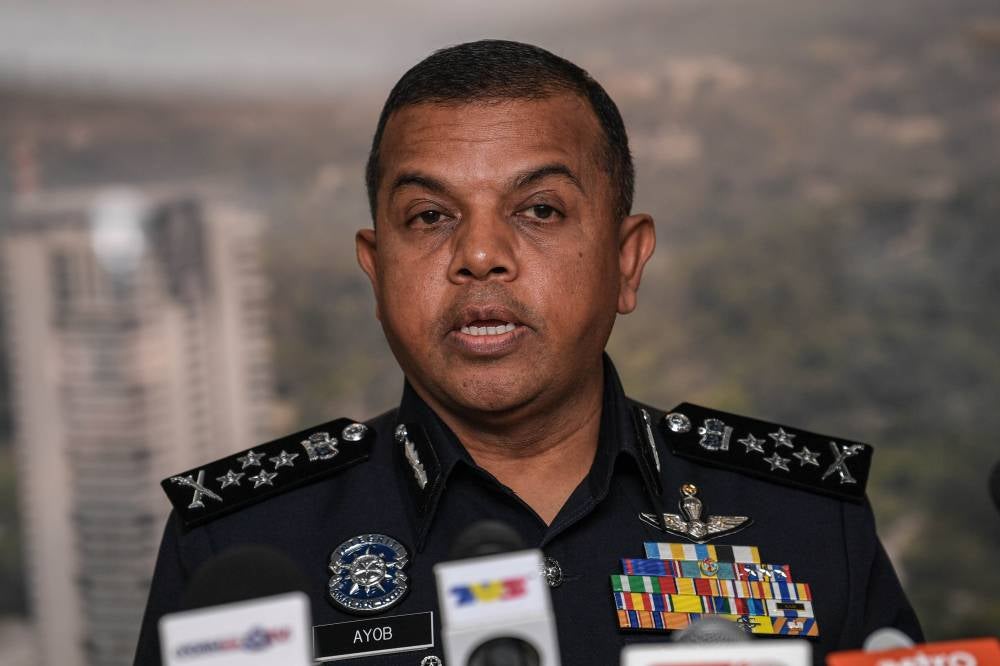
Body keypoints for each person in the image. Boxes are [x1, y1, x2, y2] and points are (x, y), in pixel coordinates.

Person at [134, 40, 921, 665]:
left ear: (626, 261)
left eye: (539, 210)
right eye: (429, 216)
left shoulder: (805, 520)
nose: (480, 255)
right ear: (376, 271)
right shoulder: (240, 547)